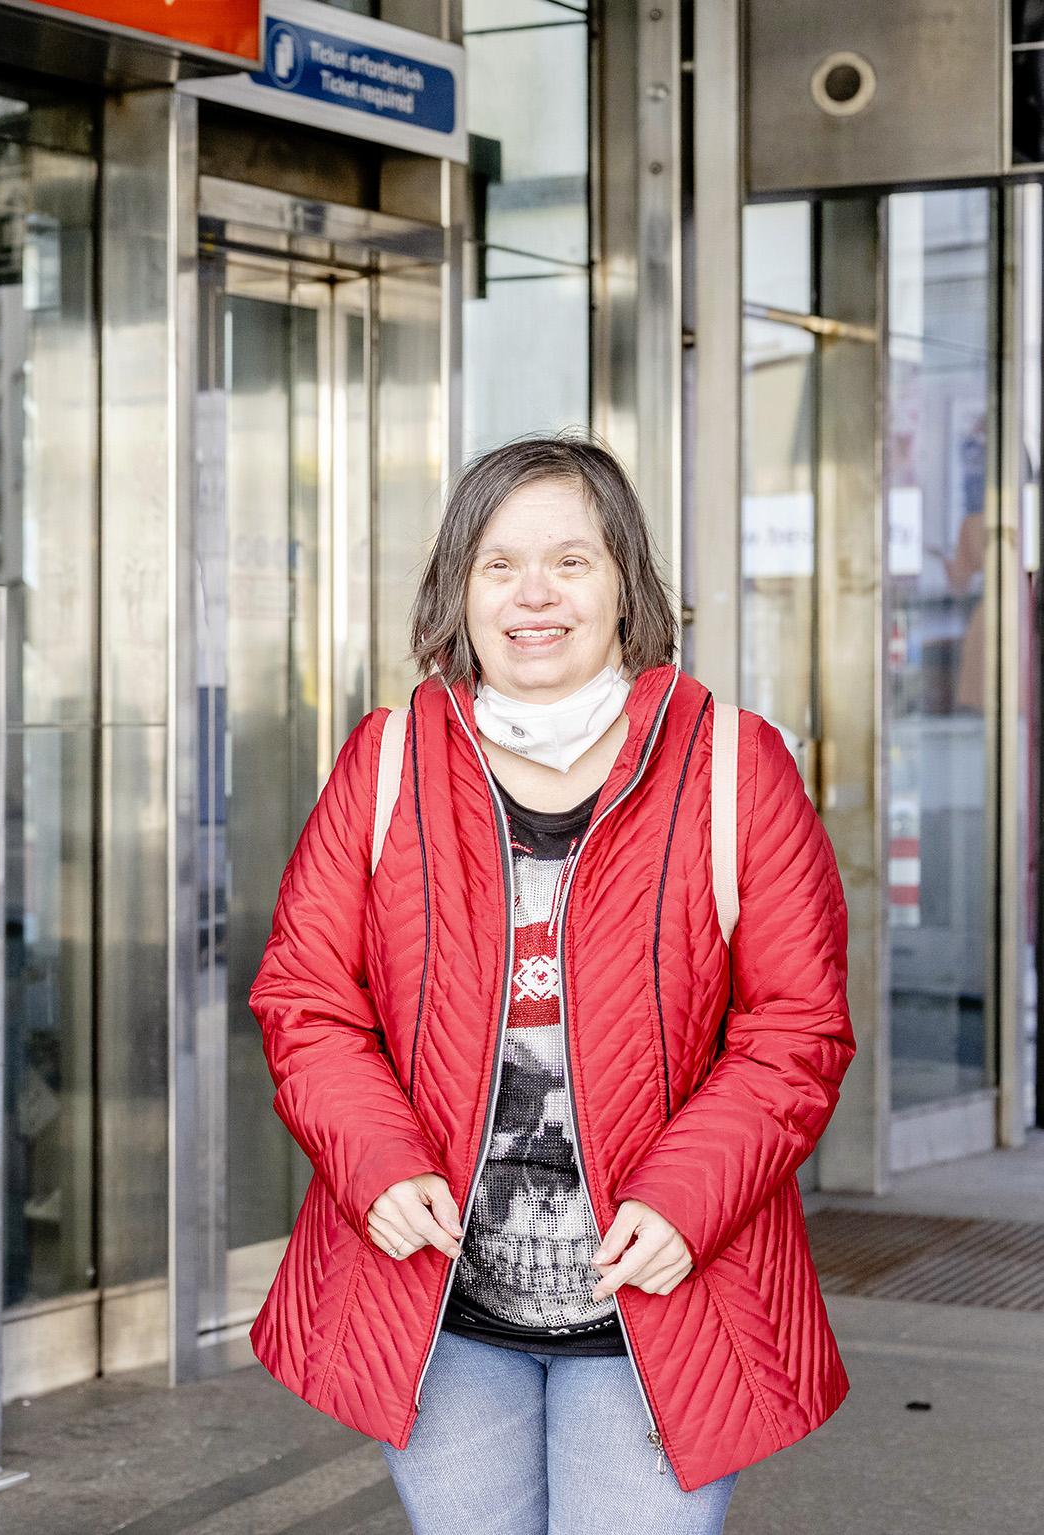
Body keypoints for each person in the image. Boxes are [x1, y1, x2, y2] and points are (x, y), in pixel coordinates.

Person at [247, 436, 853, 1533]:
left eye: (570, 561)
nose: (533, 594)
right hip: (442, 1303)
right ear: (458, 590)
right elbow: (306, 999)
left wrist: (685, 1197)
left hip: (659, 1298)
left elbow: (794, 1029)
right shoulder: (386, 762)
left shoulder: (732, 765)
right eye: (498, 564)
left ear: (624, 584)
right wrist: (377, 1163)